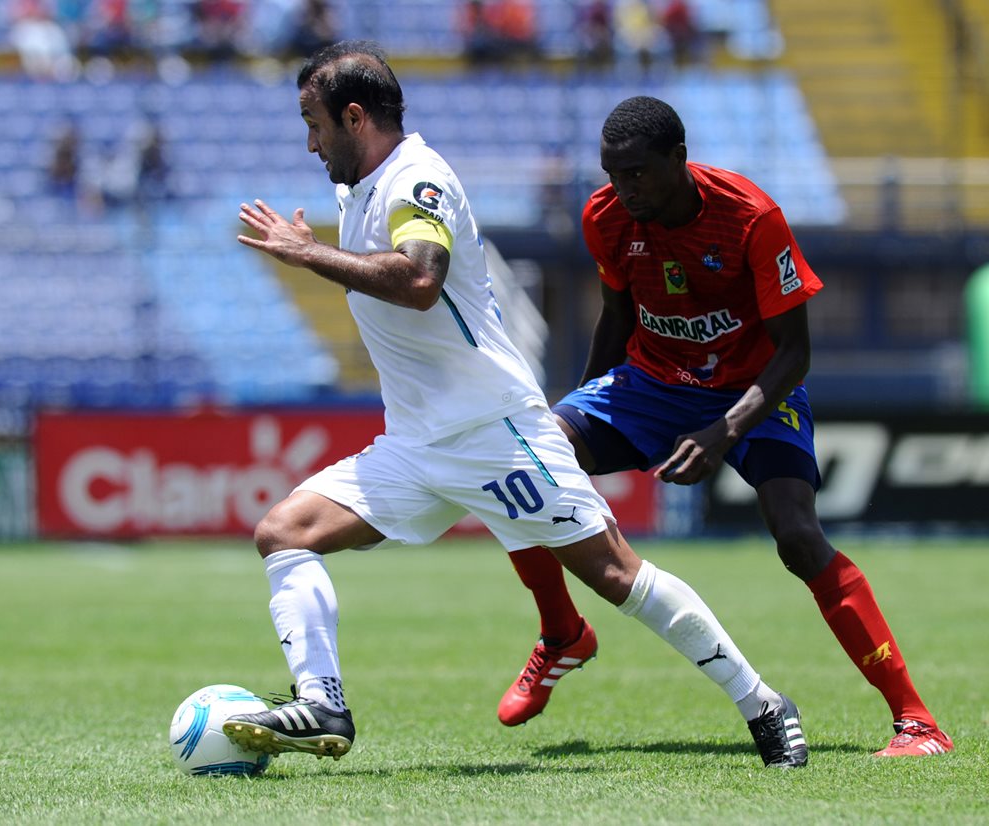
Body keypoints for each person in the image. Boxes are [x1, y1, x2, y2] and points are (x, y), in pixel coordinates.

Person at [221, 41, 807, 769]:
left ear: (353, 115)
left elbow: (419, 279)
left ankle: (764, 704)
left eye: (313, 122)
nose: (309, 143)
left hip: (493, 431)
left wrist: (307, 255)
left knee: (616, 576)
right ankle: (322, 703)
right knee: (285, 532)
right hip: (414, 444)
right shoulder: (358, 186)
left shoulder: (416, 180)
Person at [496, 95, 953, 759]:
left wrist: (725, 432)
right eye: (613, 175)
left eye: (640, 174)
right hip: (653, 383)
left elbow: (795, 351)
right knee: (522, 465)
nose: (625, 190)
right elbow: (617, 319)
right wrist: (577, 402)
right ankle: (562, 633)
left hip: (755, 386)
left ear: (680, 159)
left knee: (797, 537)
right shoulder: (606, 216)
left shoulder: (751, 218)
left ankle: (917, 722)